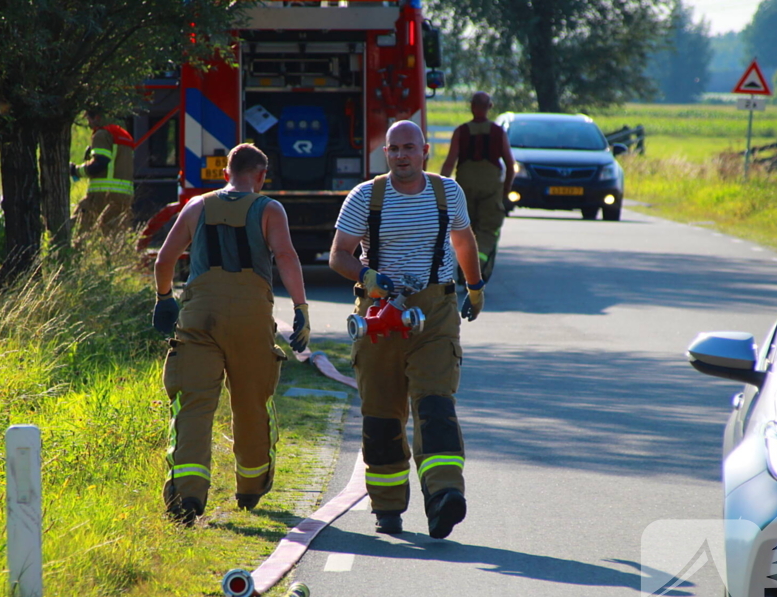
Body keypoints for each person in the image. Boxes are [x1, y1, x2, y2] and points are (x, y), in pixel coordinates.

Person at [329, 120, 484, 539]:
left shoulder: (447, 192)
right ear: (386, 154)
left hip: (434, 312)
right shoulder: (365, 196)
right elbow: (338, 256)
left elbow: (463, 240)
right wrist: (366, 275)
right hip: (379, 315)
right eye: (393, 148)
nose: (401, 155)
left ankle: (444, 497)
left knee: (435, 404)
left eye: (409, 148)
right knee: (382, 414)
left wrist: (475, 287)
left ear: (425, 151)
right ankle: (388, 507)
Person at [151, 143, 310, 526]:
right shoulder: (269, 209)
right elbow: (286, 257)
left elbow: (164, 259)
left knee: (193, 404)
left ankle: (187, 495)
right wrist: (301, 309)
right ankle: (251, 486)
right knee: (252, 401)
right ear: (261, 176)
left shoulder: (197, 206)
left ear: (226, 173)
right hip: (251, 316)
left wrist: (163, 298)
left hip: (200, 316)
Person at [440, 91, 515, 283]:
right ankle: (476, 271)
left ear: (472, 107)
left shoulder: (461, 131)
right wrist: (505, 192)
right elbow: (510, 164)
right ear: (489, 107)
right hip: (491, 190)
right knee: (488, 232)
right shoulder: (498, 132)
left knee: (466, 231)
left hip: (465, 190)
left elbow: (449, 163)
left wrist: (439, 191)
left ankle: (465, 270)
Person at [70, 111, 135, 238]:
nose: (89, 123)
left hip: (103, 193)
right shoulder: (125, 135)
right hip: (125, 196)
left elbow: (100, 163)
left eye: (89, 118)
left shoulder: (102, 134)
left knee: (78, 228)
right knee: (113, 235)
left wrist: (75, 170)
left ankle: (75, 256)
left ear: (97, 117)